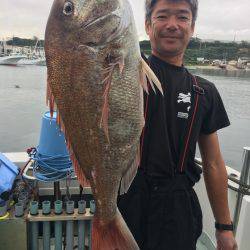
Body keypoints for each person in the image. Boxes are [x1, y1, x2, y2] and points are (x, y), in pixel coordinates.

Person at [118, 0, 238, 249]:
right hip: (128, 199)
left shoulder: (204, 91)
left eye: (182, 17)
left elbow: (214, 163)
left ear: (192, 27)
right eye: (162, 16)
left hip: (178, 211)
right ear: (147, 26)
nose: (172, 25)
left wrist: (224, 228)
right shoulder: (123, 74)